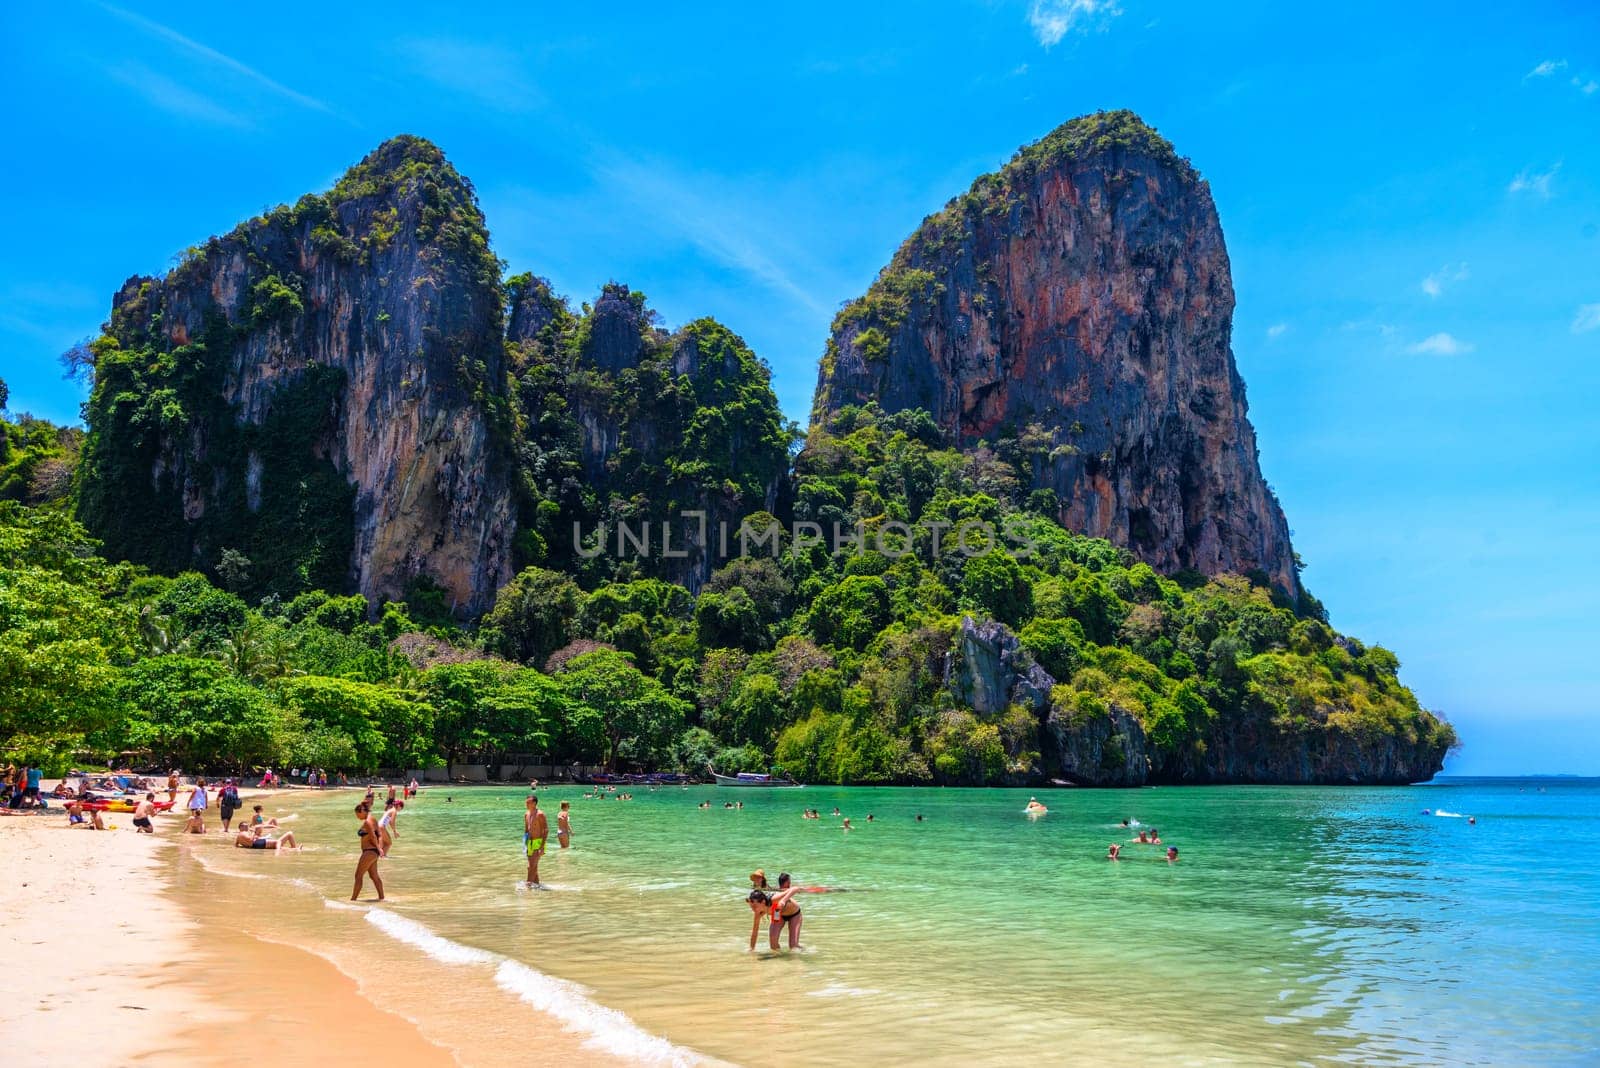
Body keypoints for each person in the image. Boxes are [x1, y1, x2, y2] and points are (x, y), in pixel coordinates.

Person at [746, 883, 803, 952]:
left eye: (755, 906)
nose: (753, 909)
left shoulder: (774, 899)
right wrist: (752, 949)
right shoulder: (758, 913)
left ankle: (804, 951)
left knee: (793, 946)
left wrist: (783, 900)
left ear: (763, 902)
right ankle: (778, 959)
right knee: (773, 942)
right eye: (751, 906)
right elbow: (755, 932)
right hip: (778, 912)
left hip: (794, 914)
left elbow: (795, 888)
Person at [352, 803, 384, 901]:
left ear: (362, 811)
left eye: (357, 814)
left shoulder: (367, 822)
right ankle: (382, 898)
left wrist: (379, 849)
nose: (357, 816)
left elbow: (373, 836)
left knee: (358, 875)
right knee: (374, 876)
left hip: (369, 851)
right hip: (373, 852)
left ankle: (353, 900)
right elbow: (379, 834)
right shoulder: (373, 819)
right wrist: (379, 849)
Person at [524, 795, 548, 889]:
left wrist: (542, 846)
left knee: (531, 867)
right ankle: (537, 886)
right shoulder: (526, 814)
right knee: (533, 867)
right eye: (526, 802)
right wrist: (525, 844)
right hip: (529, 842)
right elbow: (526, 830)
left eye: (528, 802)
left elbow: (545, 830)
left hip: (538, 842)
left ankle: (527, 886)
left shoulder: (540, 814)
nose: (526, 804)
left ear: (534, 803)